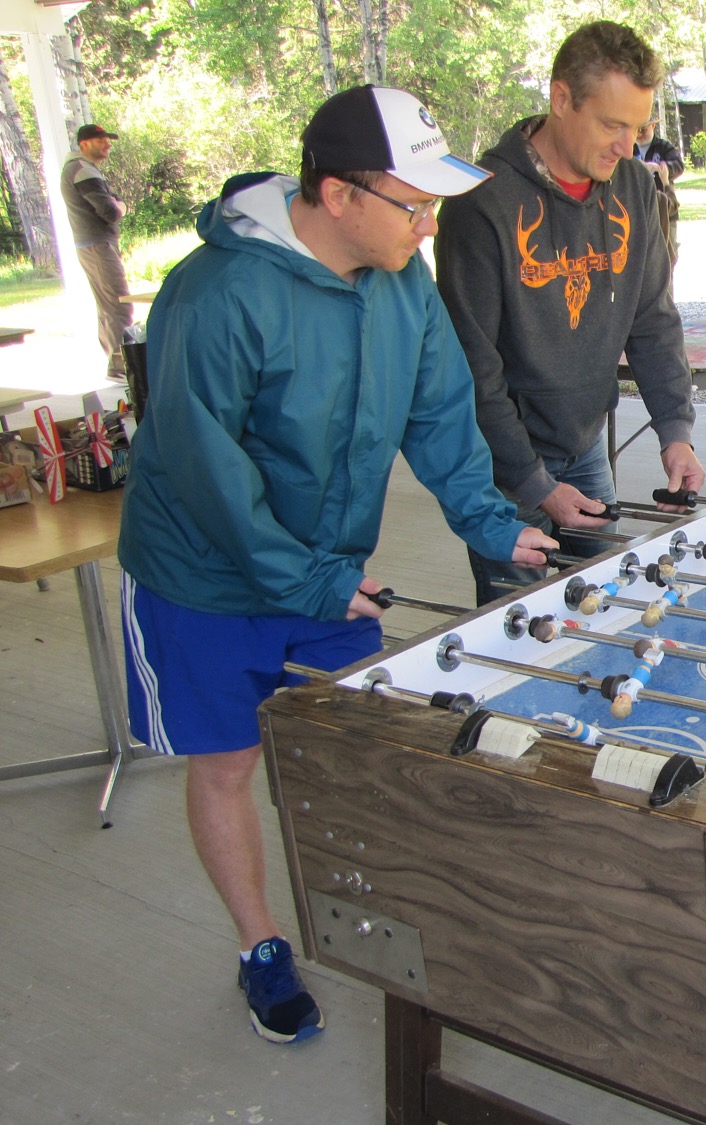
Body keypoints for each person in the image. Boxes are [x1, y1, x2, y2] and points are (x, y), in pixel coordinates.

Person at [115, 84, 557, 1046]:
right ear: (337, 193)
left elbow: (440, 414)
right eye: (413, 201)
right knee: (230, 761)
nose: (430, 220)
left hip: (324, 572)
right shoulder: (216, 291)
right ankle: (261, 945)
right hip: (203, 578)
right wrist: (311, 579)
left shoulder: (403, 282)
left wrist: (490, 522)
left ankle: (383, 920)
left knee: (354, 754)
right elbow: (203, 463)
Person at [435, 19, 704, 605]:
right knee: (520, 633)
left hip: (585, 445)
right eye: (612, 124)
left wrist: (675, 431)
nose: (626, 145)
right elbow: (472, 368)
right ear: (561, 99)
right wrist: (534, 482)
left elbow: (653, 318)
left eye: (639, 127)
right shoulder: (481, 203)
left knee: (608, 608)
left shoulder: (633, 185)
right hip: (504, 469)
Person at [60, 123, 131, 382]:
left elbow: (112, 200)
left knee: (109, 305)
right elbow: (111, 211)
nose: (107, 144)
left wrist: (117, 202)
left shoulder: (86, 170)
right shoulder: (82, 171)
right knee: (119, 305)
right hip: (97, 245)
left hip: (95, 244)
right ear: (84, 145)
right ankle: (121, 366)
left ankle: (116, 363)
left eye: (108, 139)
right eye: (100, 140)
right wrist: (121, 206)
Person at [633, 116, 684, 262]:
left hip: (666, 210)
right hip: (639, 212)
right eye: (637, 130)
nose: (641, 134)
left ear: (653, 127)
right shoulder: (629, 148)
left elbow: (679, 166)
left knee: (667, 256)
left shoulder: (663, 147)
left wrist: (662, 168)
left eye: (644, 129)